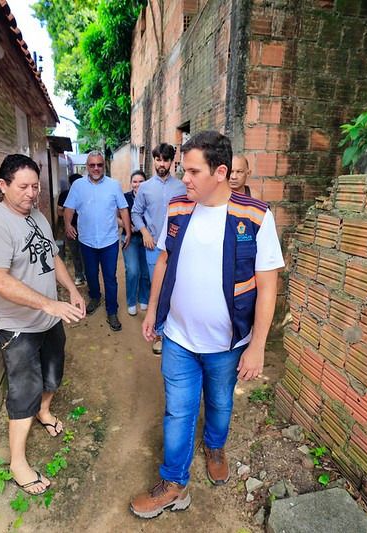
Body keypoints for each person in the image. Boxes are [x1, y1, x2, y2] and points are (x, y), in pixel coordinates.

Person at [130, 131, 284, 518]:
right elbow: (164, 261)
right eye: (183, 170)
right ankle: (174, 483)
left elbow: (268, 286)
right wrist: (153, 311)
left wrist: (257, 346)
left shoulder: (255, 216)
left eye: (193, 171)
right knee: (178, 411)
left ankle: (215, 446)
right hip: (178, 338)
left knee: (219, 402)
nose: (184, 178)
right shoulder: (179, 207)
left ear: (220, 172)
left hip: (227, 344)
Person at [0, 154, 86, 495]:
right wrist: (49, 303)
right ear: (3, 186)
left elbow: (52, 257)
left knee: (53, 373)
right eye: (23, 187)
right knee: (23, 390)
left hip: (48, 317)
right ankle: (18, 462)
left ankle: (45, 411)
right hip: (16, 326)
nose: (31, 193)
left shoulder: (37, 215)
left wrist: (71, 290)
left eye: (35, 186)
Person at [63, 150, 131, 332]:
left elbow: (123, 209)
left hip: (109, 241)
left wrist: (128, 231)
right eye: (92, 165)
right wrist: (68, 224)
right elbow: (69, 208)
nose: (96, 168)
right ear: (87, 166)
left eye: (99, 165)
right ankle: (95, 297)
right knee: (91, 274)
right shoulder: (78, 186)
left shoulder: (113, 185)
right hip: (87, 242)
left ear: (104, 166)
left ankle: (112, 311)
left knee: (110, 277)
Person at [131, 143, 186, 354]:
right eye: (158, 159)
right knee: (160, 290)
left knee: (178, 290)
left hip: (178, 249)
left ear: (172, 162)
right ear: (153, 160)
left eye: (165, 160)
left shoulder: (182, 187)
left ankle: (178, 332)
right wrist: (144, 232)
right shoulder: (145, 188)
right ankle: (160, 334)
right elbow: (136, 213)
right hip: (154, 248)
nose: (161, 164)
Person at [123, 170, 151, 316]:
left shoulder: (150, 196)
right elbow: (117, 217)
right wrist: (128, 226)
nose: (138, 184)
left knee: (146, 271)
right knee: (133, 270)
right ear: (131, 183)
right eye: (135, 181)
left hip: (148, 238)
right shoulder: (125, 198)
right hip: (130, 238)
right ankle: (132, 301)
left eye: (141, 181)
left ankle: (144, 298)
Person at [57, 173, 85, 285]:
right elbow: (59, 212)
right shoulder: (66, 195)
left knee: (77, 252)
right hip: (74, 227)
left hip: (78, 227)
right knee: (80, 252)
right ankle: (82, 275)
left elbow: (59, 212)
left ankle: (80, 276)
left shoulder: (65, 194)